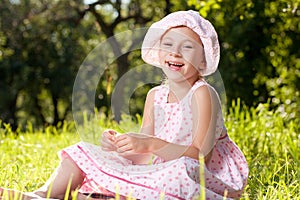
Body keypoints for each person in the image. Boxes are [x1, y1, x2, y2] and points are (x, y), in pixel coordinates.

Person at [0, 10, 248, 200]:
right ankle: (40, 195)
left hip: (198, 175)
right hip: (160, 170)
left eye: (187, 48)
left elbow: (201, 155)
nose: (176, 53)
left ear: (203, 58)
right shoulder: (155, 96)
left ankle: (102, 195)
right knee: (84, 150)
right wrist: (120, 147)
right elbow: (143, 153)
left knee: (179, 172)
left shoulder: (203, 93)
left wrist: (151, 143)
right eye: (169, 45)